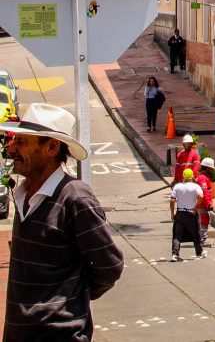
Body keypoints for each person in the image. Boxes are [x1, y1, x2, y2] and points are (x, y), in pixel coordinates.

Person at [0, 103, 123, 340]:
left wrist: (70, 299)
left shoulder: (74, 197)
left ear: (52, 147)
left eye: (23, 142)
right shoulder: (22, 194)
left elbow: (110, 265)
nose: (12, 149)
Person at [169, 168, 206, 261]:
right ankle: (199, 252)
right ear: (192, 176)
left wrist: (172, 213)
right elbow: (201, 196)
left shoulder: (177, 186)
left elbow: (172, 200)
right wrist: (195, 207)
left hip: (180, 213)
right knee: (195, 234)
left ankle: (175, 254)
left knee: (177, 235)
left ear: (183, 177)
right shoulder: (195, 186)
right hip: (191, 213)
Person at [195, 157, 215, 247]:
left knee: (204, 220)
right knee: (204, 220)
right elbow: (204, 192)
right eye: (211, 169)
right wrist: (208, 204)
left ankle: (201, 239)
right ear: (207, 168)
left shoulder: (203, 177)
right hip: (203, 204)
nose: (212, 170)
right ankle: (202, 240)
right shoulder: (202, 178)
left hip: (202, 204)